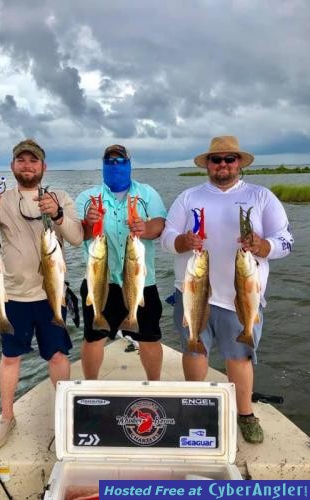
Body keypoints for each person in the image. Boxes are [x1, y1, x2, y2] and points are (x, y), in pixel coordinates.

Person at [161, 136, 293, 444]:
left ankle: (245, 414)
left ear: (239, 163)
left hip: (242, 296)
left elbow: (286, 241)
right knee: (194, 350)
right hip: (192, 291)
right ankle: (194, 409)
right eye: (216, 159)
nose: (223, 165)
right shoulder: (188, 197)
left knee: (240, 357)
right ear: (207, 164)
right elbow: (167, 237)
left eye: (229, 159)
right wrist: (182, 241)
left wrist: (264, 246)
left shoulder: (261, 197)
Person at [0, 138, 83, 448]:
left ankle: (66, 414)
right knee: (10, 357)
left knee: (57, 355)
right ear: (13, 166)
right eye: (21, 160)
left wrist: (57, 215)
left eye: (33, 161)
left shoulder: (60, 197)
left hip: (51, 295)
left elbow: (78, 238)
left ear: (43, 166)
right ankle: (6, 417)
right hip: (12, 296)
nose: (27, 165)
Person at [76, 144, 167, 381]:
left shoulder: (147, 193)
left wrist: (145, 228)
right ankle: (91, 386)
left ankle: (154, 385)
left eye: (120, 160)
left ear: (129, 162)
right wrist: (88, 223)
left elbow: (160, 225)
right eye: (110, 161)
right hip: (100, 280)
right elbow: (77, 234)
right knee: (94, 337)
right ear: (103, 164)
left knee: (149, 337)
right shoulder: (87, 198)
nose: (115, 165)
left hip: (140, 280)